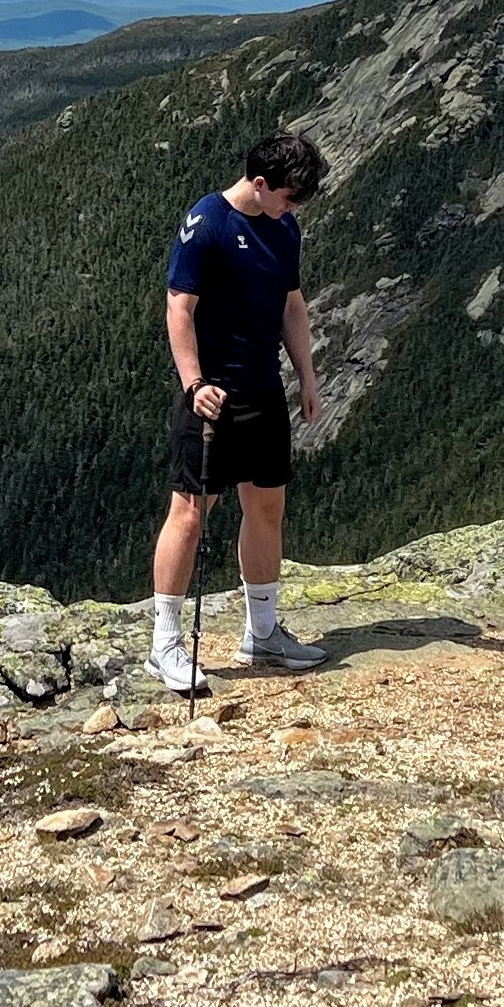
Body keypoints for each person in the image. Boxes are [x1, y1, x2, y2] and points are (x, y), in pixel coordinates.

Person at [148, 129, 330, 690]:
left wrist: (306, 375)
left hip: (262, 391)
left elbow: (290, 305)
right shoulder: (209, 224)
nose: (294, 208)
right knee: (191, 512)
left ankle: (263, 632)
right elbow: (179, 306)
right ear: (259, 184)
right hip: (213, 394)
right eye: (290, 197)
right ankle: (165, 643)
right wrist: (193, 383)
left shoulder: (285, 228)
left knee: (267, 506)